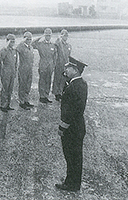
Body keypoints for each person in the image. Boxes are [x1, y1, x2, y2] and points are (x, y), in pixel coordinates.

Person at [56, 57, 88, 192]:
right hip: (76, 126)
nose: (65, 70)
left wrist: (62, 127)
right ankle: (72, 180)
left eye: (68, 68)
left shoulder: (74, 86)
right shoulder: (79, 83)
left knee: (72, 156)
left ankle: (72, 184)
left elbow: (72, 111)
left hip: (72, 128)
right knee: (74, 156)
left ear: (75, 70)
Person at [32, 28, 57, 103]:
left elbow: (55, 57)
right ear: (44, 36)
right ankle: (42, 96)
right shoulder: (40, 44)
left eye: (49, 35)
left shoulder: (53, 45)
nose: (48, 37)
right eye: (46, 35)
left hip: (50, 65)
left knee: (48, 80)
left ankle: (46, 95)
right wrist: (40, 37)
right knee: (42, 80)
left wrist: (53, 65)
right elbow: (32, 44)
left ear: (51, 36)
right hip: (43, 64)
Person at [16, 31, 35, 110]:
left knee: (28, 85)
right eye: (27, 39)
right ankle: (22, 101)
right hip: (23, 68)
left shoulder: (31, 47)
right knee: (22, 85)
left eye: (30, 39)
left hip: (29, 68)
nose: (29, 41)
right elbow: (16, 49)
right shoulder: (21, 47)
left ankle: (26, 100)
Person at [0, 34, 17, 112]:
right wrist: (1, 72)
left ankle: (8, 104)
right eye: (11, 41)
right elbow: (0, 61)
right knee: (5, 89)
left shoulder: (14, 51)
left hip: (12, 72)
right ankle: (3, 105)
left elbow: (16, 63)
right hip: (6, 72)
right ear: (7, 41)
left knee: (10, 89)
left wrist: (15, 71)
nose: (12, 43)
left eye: (13, 42)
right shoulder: (4, 50)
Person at [53, 29, 71, 101]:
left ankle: (60, 92)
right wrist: (58, 40)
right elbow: (55, 46)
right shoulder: (58, 44)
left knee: (63, 79)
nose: (65, 37)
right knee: (57, 78)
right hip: (59, 64)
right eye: (64, 36)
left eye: (66, 36)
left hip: (65, 64)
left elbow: (69, 55)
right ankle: (56, 93)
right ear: (61, 36)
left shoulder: (68, 45)